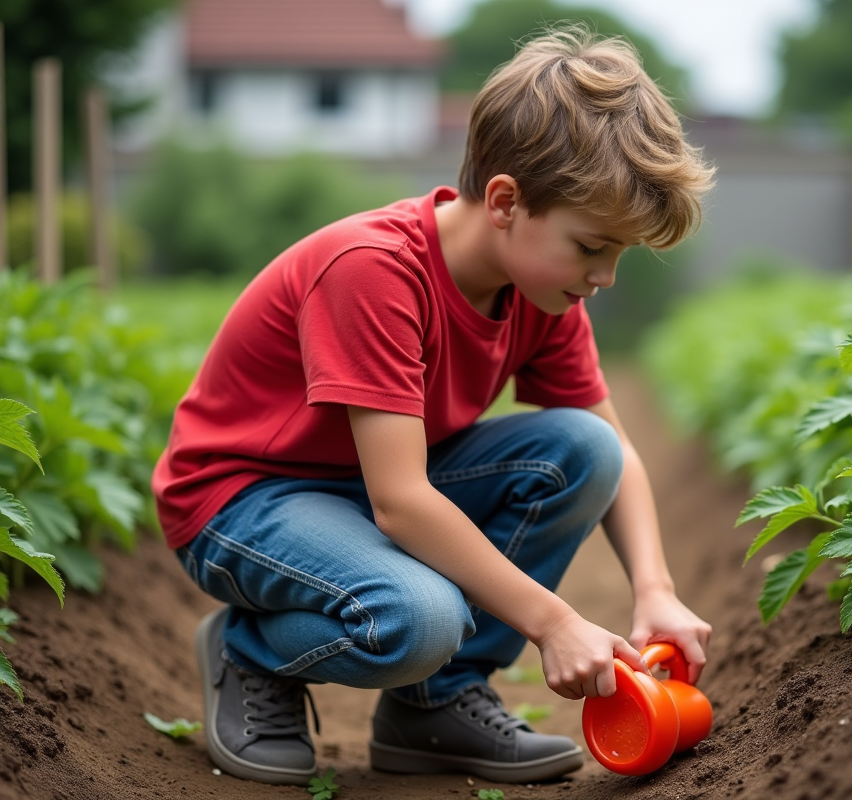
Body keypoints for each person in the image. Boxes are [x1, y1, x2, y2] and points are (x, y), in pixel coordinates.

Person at [151, 24, 715, 787]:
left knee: (585, 449)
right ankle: (249, 653)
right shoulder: (374, 272)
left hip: (360, 491)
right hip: (246, 499)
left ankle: (433, 706)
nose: (606, 276)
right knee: (420, 618)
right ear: (508, 201)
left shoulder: (541, 294)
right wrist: (553, 622)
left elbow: (615, 452)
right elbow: (403, 505)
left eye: (621, 254)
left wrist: (655, 591)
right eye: (592, 246)